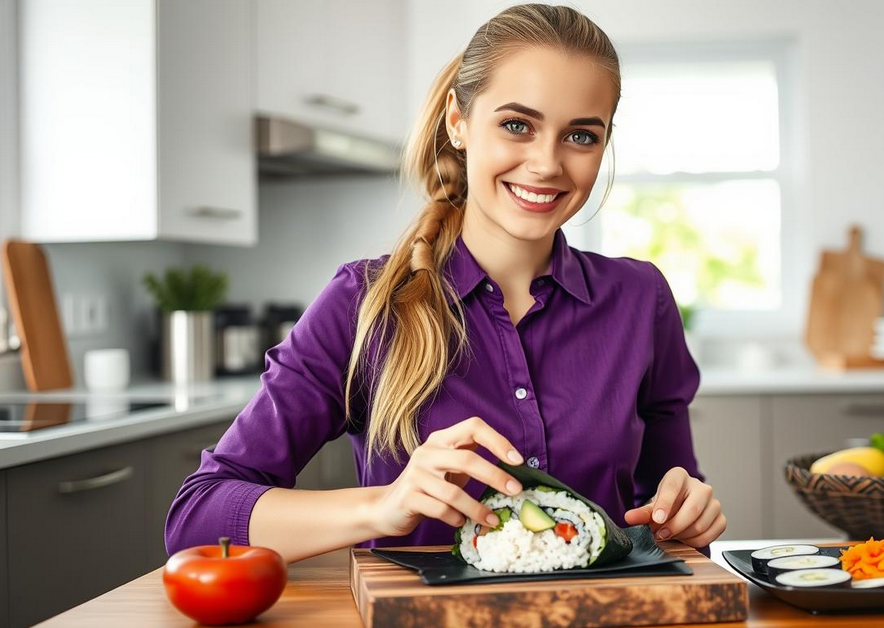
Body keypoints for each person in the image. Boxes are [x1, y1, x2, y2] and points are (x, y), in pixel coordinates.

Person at [165, 3, 725, 565]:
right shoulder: (363, 304)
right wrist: (384, 505)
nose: (547, 163)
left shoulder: (640, 299)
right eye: (516, 125)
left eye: (580, 135)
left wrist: (687, 511)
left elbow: (666, 514)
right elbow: (197, 517)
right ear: (458, 123)